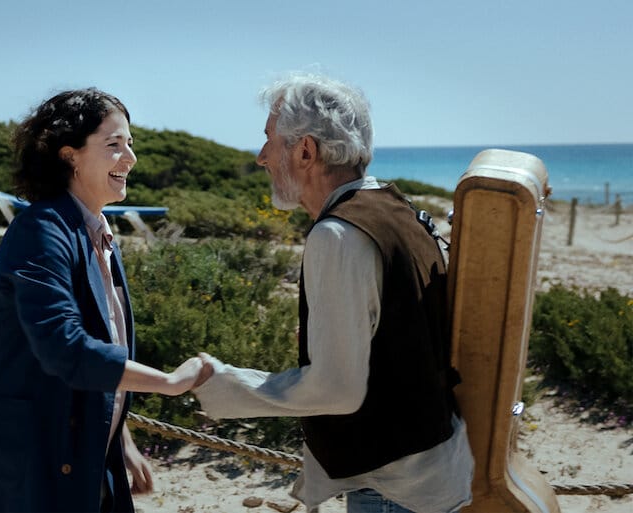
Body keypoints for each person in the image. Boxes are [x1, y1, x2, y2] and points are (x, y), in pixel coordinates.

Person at [192, 74, 474, 513]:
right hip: (435, 471)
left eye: (269, 139)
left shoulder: (338, 234)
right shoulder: (400, 209)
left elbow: (336, 389)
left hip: (393, 489)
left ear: (305, 150)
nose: (262, 157)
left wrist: (224, 385)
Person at [0, 88, 205, 513]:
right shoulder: (41, 231)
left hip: (83, 454)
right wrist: (169, 383)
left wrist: (119, 436)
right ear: (69, 155)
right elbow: (66, 349)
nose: (130, 158)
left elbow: (96, 350)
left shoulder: (98, 231)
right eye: (114, 145)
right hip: (32, 467)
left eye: (130, 144)